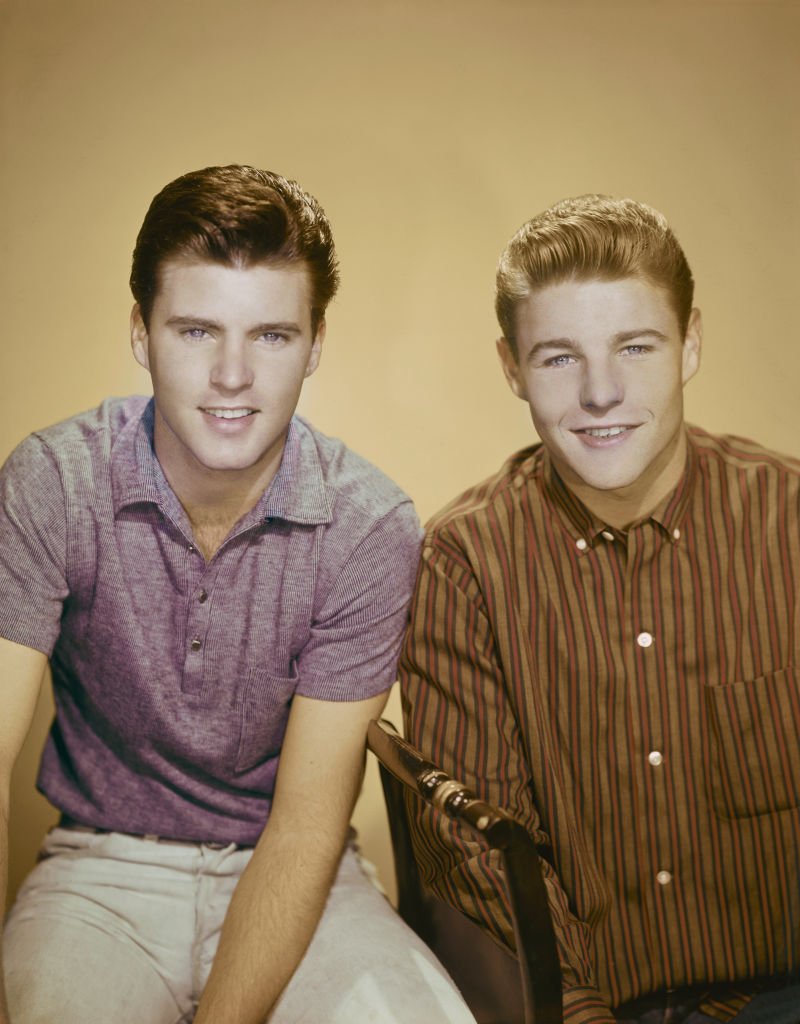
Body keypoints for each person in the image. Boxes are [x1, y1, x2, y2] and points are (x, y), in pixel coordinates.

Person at [0, 164, 476, 1024]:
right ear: (141, 334)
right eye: (195, 331)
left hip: (303, 872)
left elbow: (303, 827)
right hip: (98, 872)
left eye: (270, 337)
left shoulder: (368, 524)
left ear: (316, 342)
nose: (231, 375)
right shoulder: (53, 481)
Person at [399, 195, 800, 1024]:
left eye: (636, 346)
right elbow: (483, 856)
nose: (601, 393)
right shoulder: (464, 565)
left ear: (689, 344)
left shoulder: (790, 521)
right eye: (558, 359)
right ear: (512, 367)